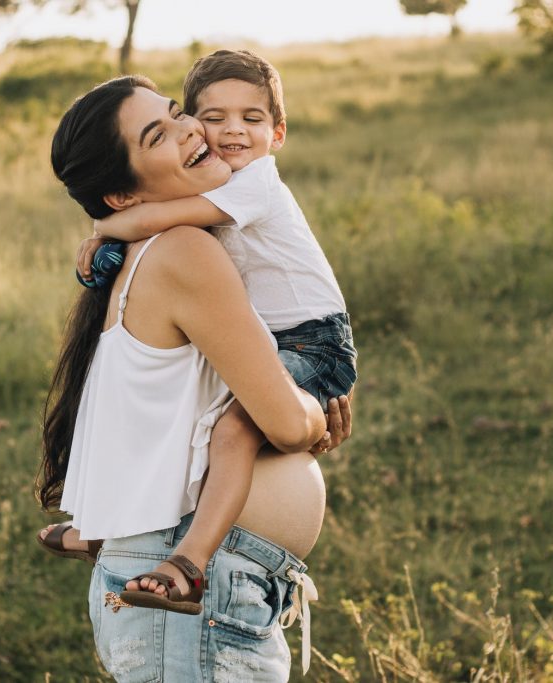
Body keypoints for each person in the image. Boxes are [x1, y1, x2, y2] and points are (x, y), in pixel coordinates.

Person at [37, 75, 351, 680]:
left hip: (200, 601)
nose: (189, 129)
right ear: (124, 196)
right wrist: (320, 415)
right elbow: (286, 424)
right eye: (159, 133)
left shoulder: (165, 249)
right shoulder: (184, 250)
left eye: (178, 112)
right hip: (193, 605)